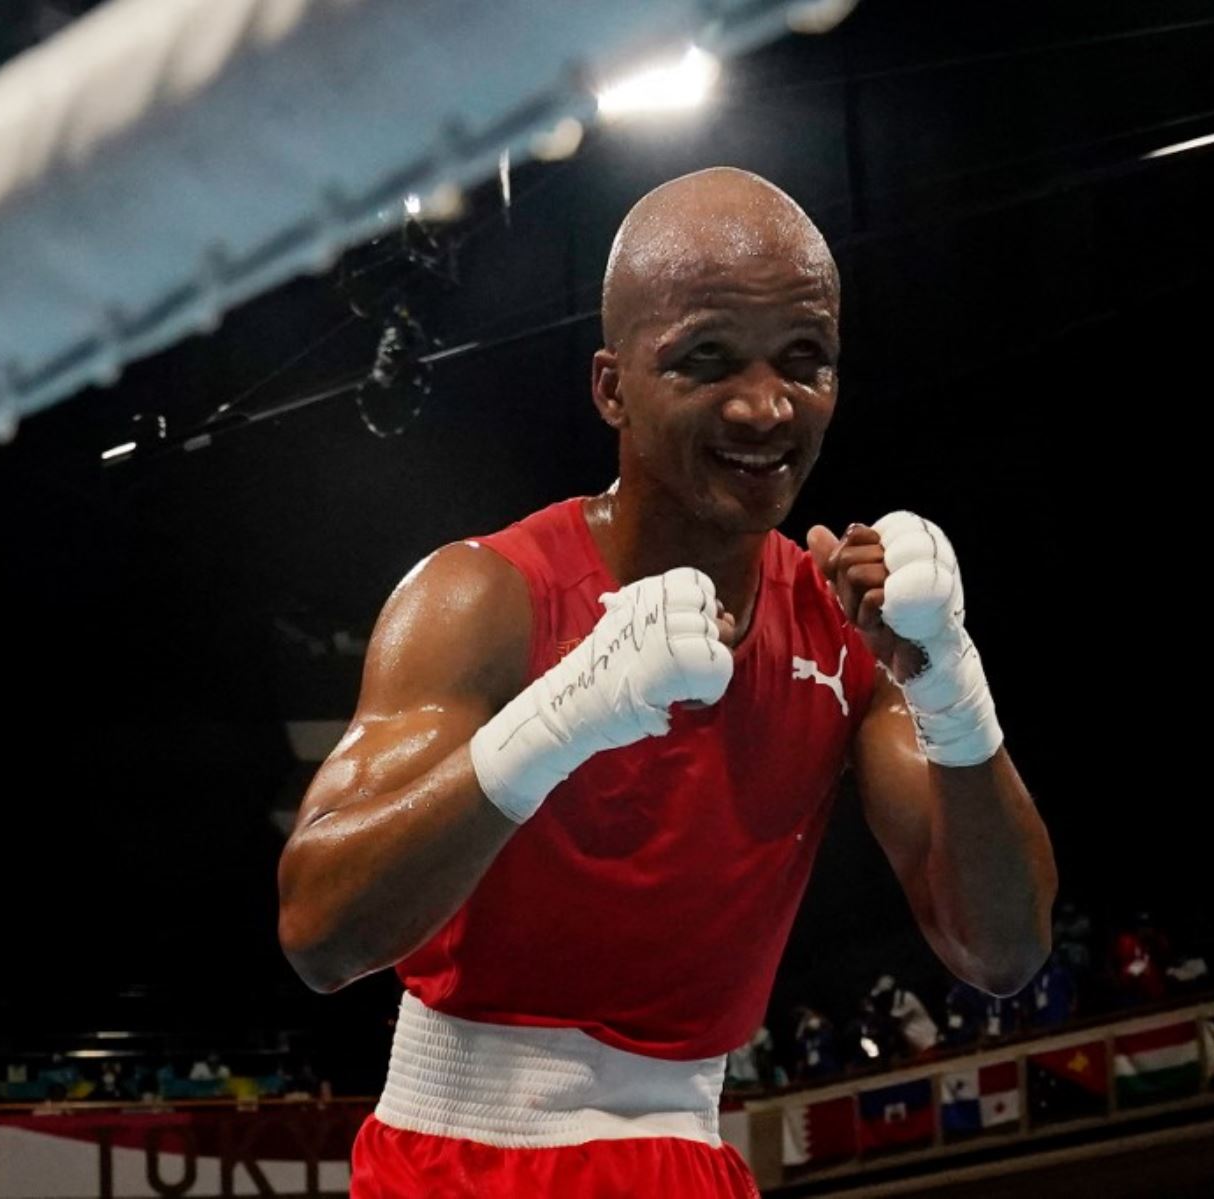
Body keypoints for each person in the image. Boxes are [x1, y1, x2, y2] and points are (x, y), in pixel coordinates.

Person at [276, 168, 1059, 1198]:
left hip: (689, 1157)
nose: (766, 404)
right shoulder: (485, 596)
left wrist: (950, 678)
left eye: (805, 360)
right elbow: (320, 931)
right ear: (613, 387)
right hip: (461, 1160)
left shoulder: (845, 632)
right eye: (706, 359)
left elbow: (1002, 950)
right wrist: (564, 712)